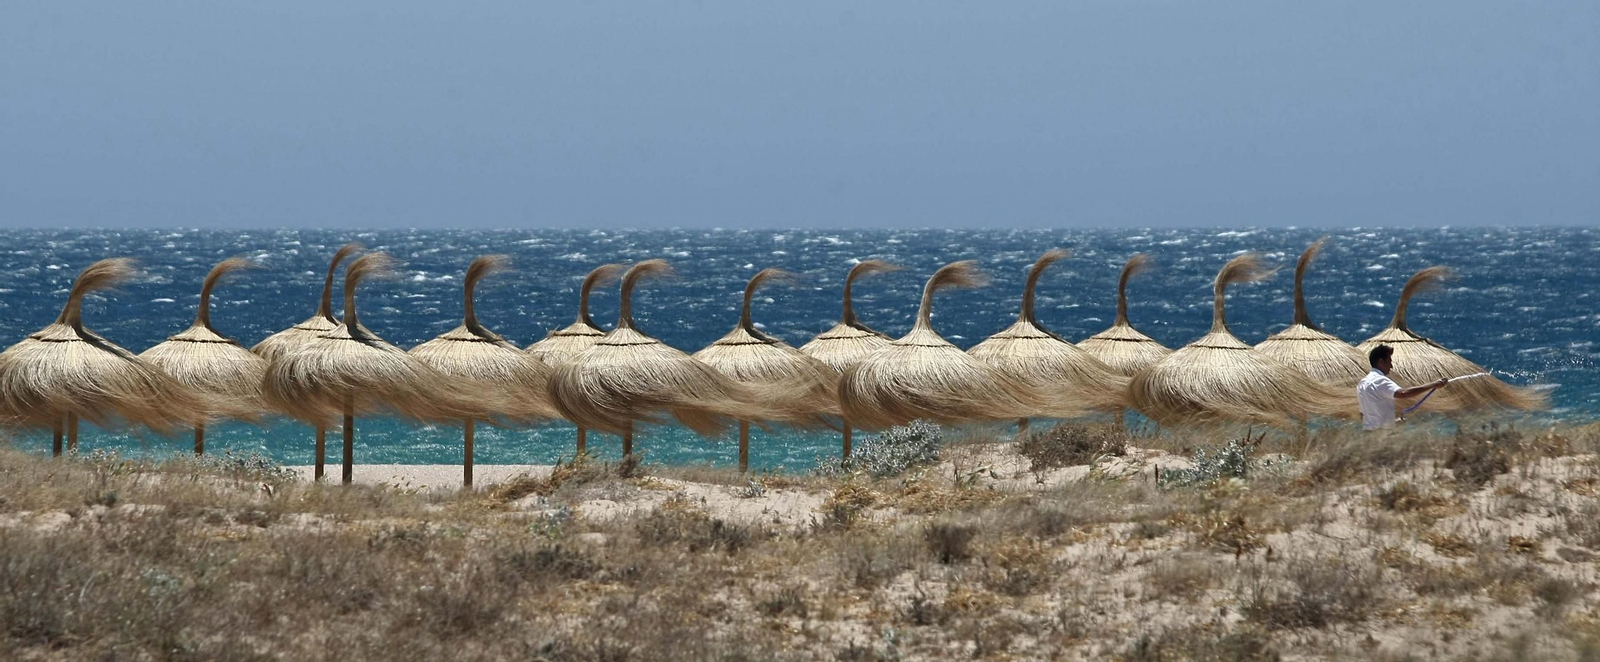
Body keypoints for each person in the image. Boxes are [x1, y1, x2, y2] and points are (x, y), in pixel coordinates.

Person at [1357, 345, 1448, 431]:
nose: (1391, 366)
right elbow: (1403, 393)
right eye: (1389, 362)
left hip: (1369, 435)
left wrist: (1392, 423)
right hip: (1382, 434)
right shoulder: (1379, 380)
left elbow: (1364, 415)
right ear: (1381, 362)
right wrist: (1433, 384)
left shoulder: (1362, 384)